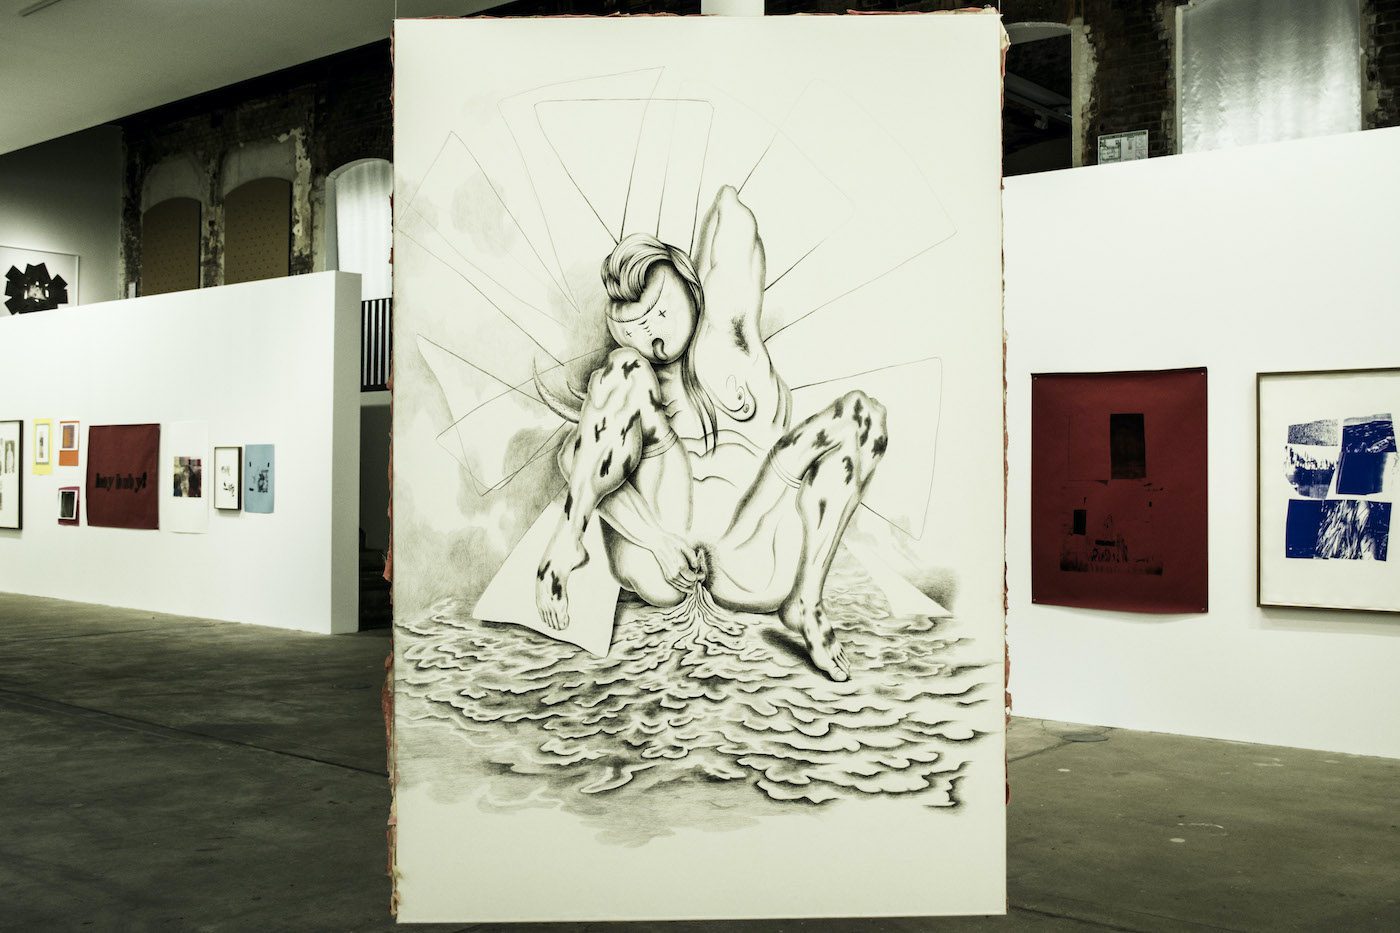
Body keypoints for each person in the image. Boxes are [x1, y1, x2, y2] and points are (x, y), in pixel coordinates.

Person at [534, 186, 888, 682]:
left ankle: (806, 602)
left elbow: (732, 218)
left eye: (660, 314)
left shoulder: (735, 347)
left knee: (862, 416)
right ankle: (567, 543)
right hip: (662, 549)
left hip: (751, 553)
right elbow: (575, 458)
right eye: (634, 329)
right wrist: (657, 540)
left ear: (689, 284)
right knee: (625, 370)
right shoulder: (631, 383)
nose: (654, 337)